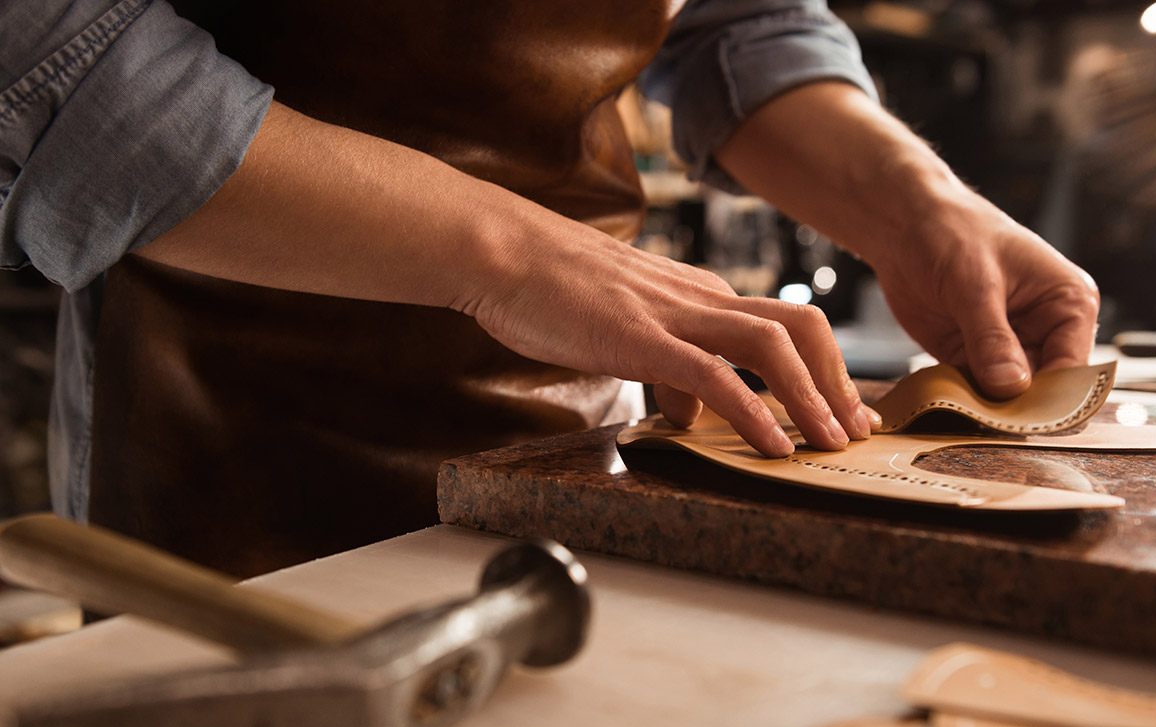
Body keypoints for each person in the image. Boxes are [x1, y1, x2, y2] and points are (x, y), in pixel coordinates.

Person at [1, 0, 1098, 575]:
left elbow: (741, 21)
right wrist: (516, 256)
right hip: (233, 436)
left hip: (586, 441)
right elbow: (54, 56)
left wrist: (919, 205)